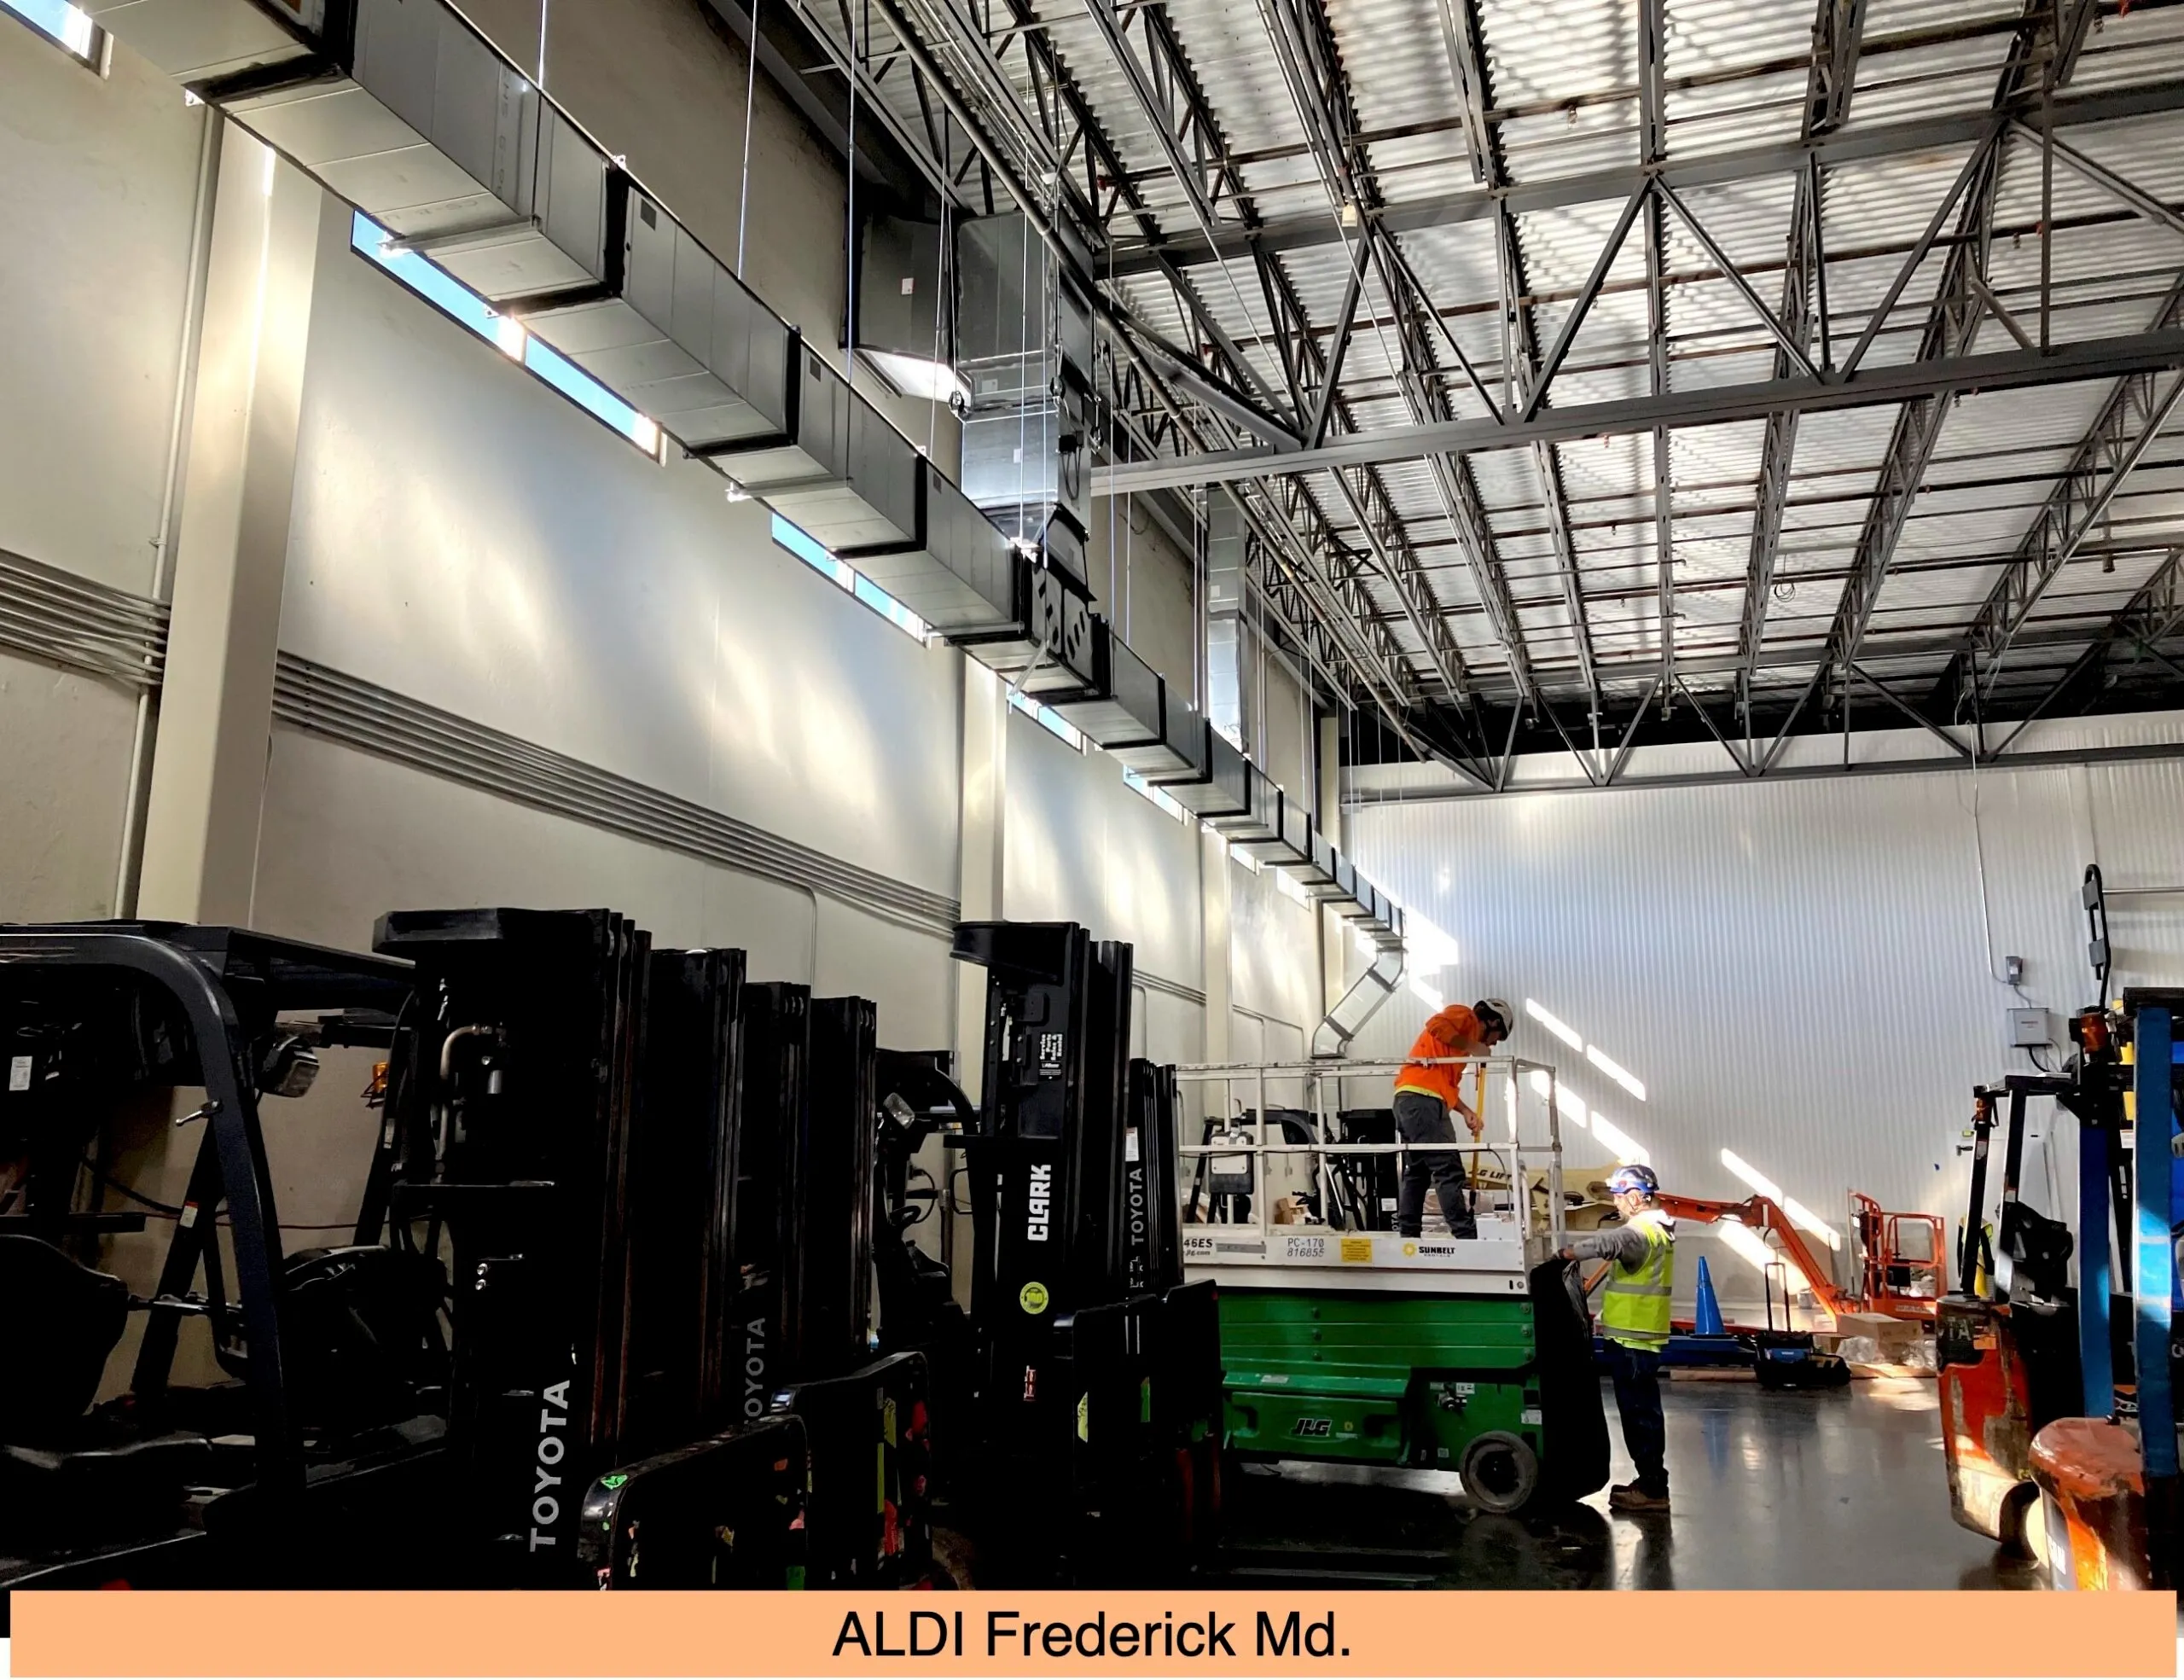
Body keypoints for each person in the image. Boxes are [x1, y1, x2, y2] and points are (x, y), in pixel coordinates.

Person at [1560, 1163, 1676, 1514]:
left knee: (1639, 1414)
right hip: (1639, 1337)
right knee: (1644, 1413)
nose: (1616, 1201)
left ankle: (1653, 1489)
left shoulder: (1640, 1231)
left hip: (1633, 1341)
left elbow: (1609, 1242)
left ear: (1638, 1196)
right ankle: (1650, 1481)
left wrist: (1564, 1255)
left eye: (1619, 1194)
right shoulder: (1660, 1229)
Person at [1391, 997, 1511, 1241]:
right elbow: (1436, 1024)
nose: (1493, 1044)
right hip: (1423, 1101)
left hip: (1411, 1099)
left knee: (1418, 1171)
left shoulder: (1455, 1054)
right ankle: (1466, 1236)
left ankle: (1409, 1236)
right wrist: (1473, 1046)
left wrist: (1466, 1111)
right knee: (1449, 1170)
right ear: (1492, 1021)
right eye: (1495, 1037)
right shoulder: (1465, 1016)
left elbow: (1445, 1086)